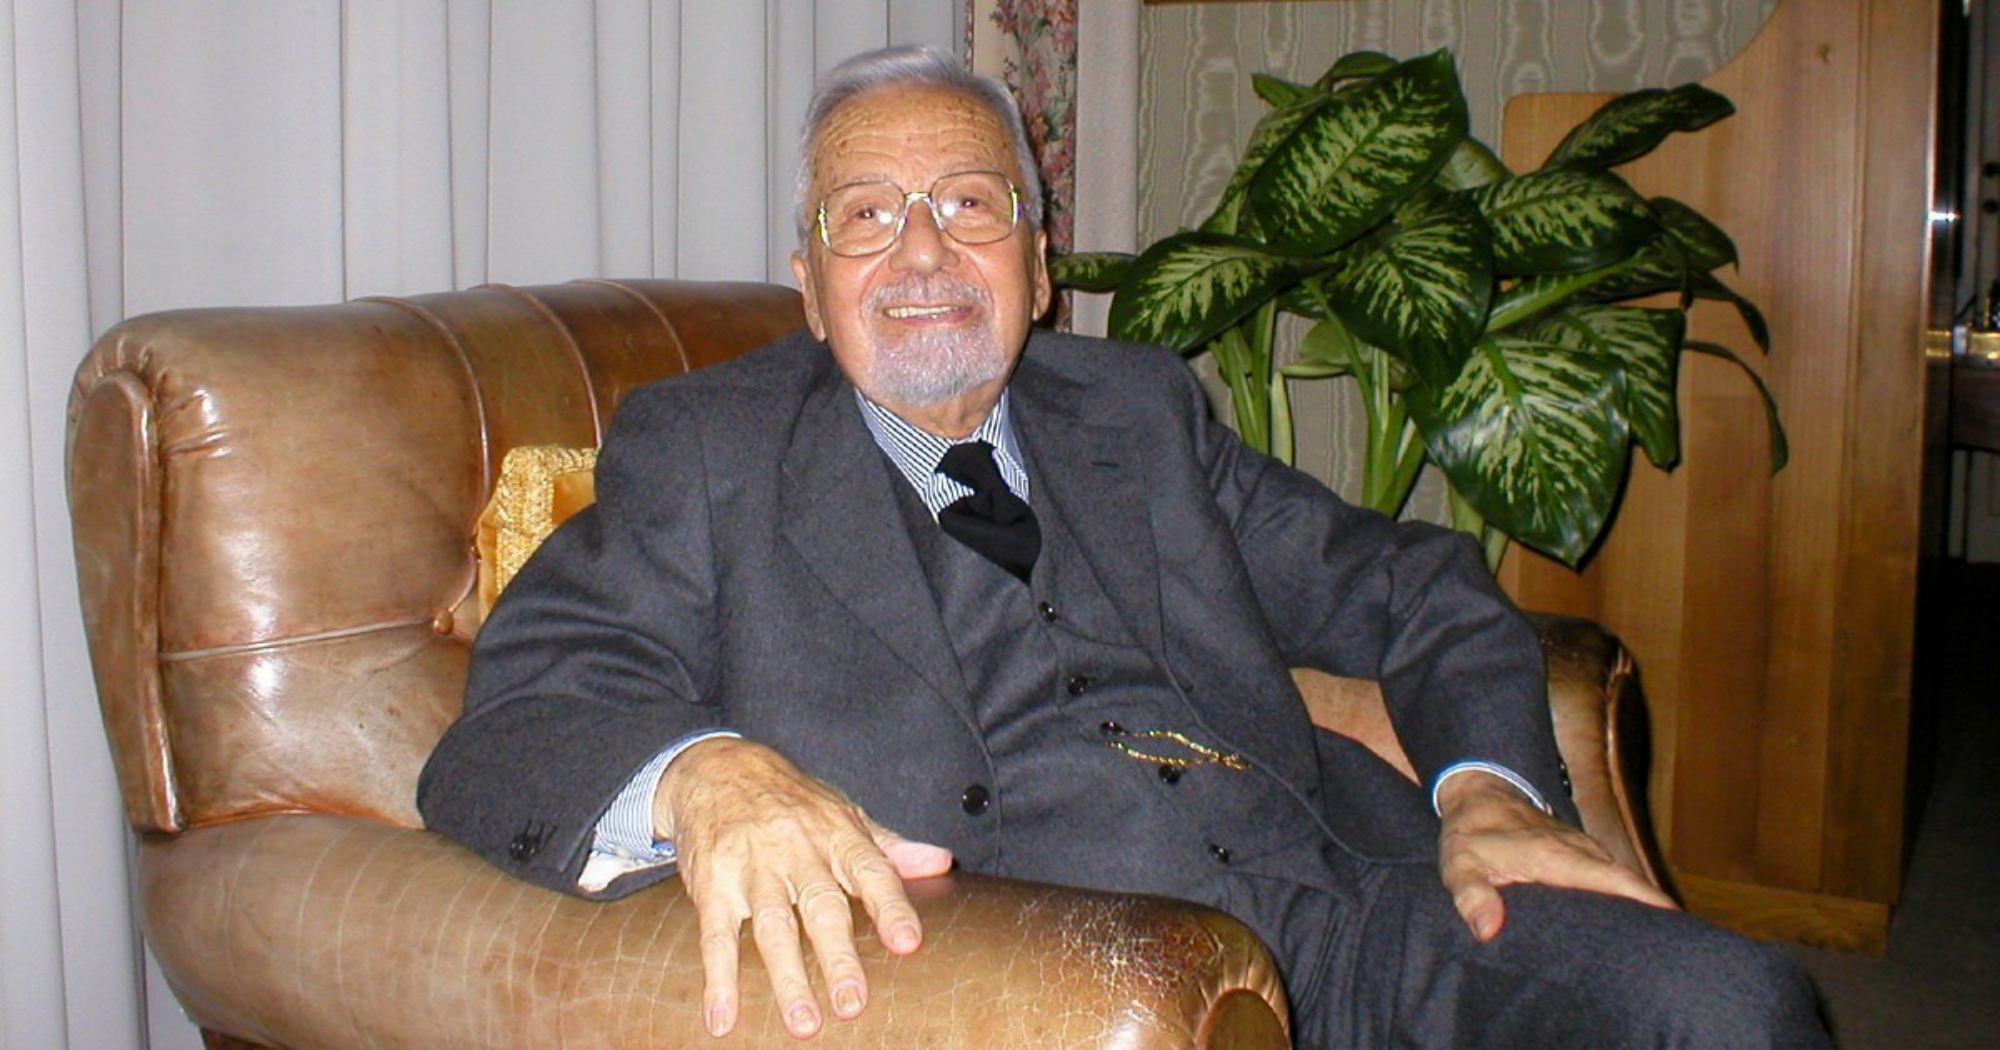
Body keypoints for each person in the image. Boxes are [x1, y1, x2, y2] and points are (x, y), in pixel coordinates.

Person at [419, 45, 1828, 1046]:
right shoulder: (709, 450)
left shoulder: (1137, 412)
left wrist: (1490, 792)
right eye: (867, 216)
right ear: (809, 285)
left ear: (1038, 267)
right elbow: (516, 716)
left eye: (970, 203)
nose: (923, 252)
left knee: (1733, 1004)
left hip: (1349, 903)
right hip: (1067, 979)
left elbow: (1411, 586)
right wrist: (706, 774)